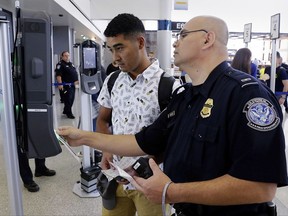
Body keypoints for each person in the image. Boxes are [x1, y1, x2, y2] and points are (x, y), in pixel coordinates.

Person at [57, 15, 288, 216]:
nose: (176, 42)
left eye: (183, 35)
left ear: (207, 39)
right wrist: (84, 137)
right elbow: (142, 141)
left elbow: (261, 187)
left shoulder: (246, 96)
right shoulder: (186, 97)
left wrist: (171, 191)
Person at [96, 13, 179, 216]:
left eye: (120, 48)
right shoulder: (113, 81)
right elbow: (103, 120)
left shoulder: (168, 86)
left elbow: (175, 139)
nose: (115, 58)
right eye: (111, 49)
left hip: (150, 183)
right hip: (115, 179)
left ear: (140, 42)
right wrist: (106, 150)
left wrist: (144, 165)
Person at [55, 51, 79, 119]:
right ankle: (69, 113)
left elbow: (74, 73)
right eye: (65, 55)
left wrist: (76, 81)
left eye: (68, 55)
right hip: (66, 86)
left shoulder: (71, 64)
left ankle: (66, 110)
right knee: (68, 99)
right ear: (62, 57)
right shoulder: (60, 64)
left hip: (72, 85)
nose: (67, 57)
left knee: (72, 99)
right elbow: (58, 75)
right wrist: (60, 84)